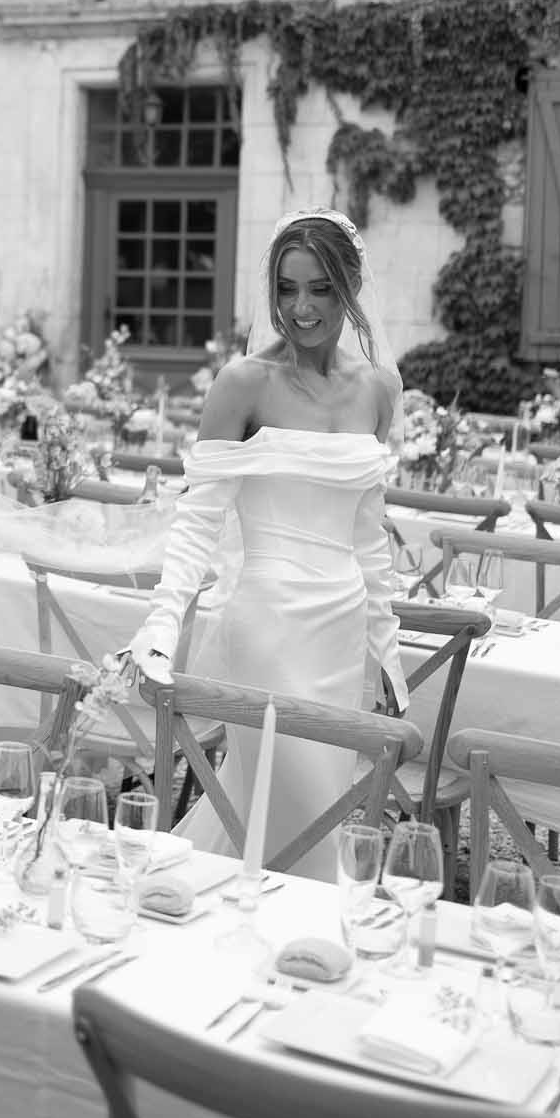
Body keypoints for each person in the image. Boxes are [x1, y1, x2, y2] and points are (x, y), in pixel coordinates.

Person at [125, 207, 409, 881]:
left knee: (298, 812)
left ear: (349, 288)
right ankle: (306, 939)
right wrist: (160, 628)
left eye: (319, 288)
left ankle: (224, 918)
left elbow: (369, 537)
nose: (300, 307)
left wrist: (387, 651)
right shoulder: (242, 383)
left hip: (338, 632)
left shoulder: (379, 387)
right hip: (266, 627)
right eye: (286, 288)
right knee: (301, 810)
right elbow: (198, 520)